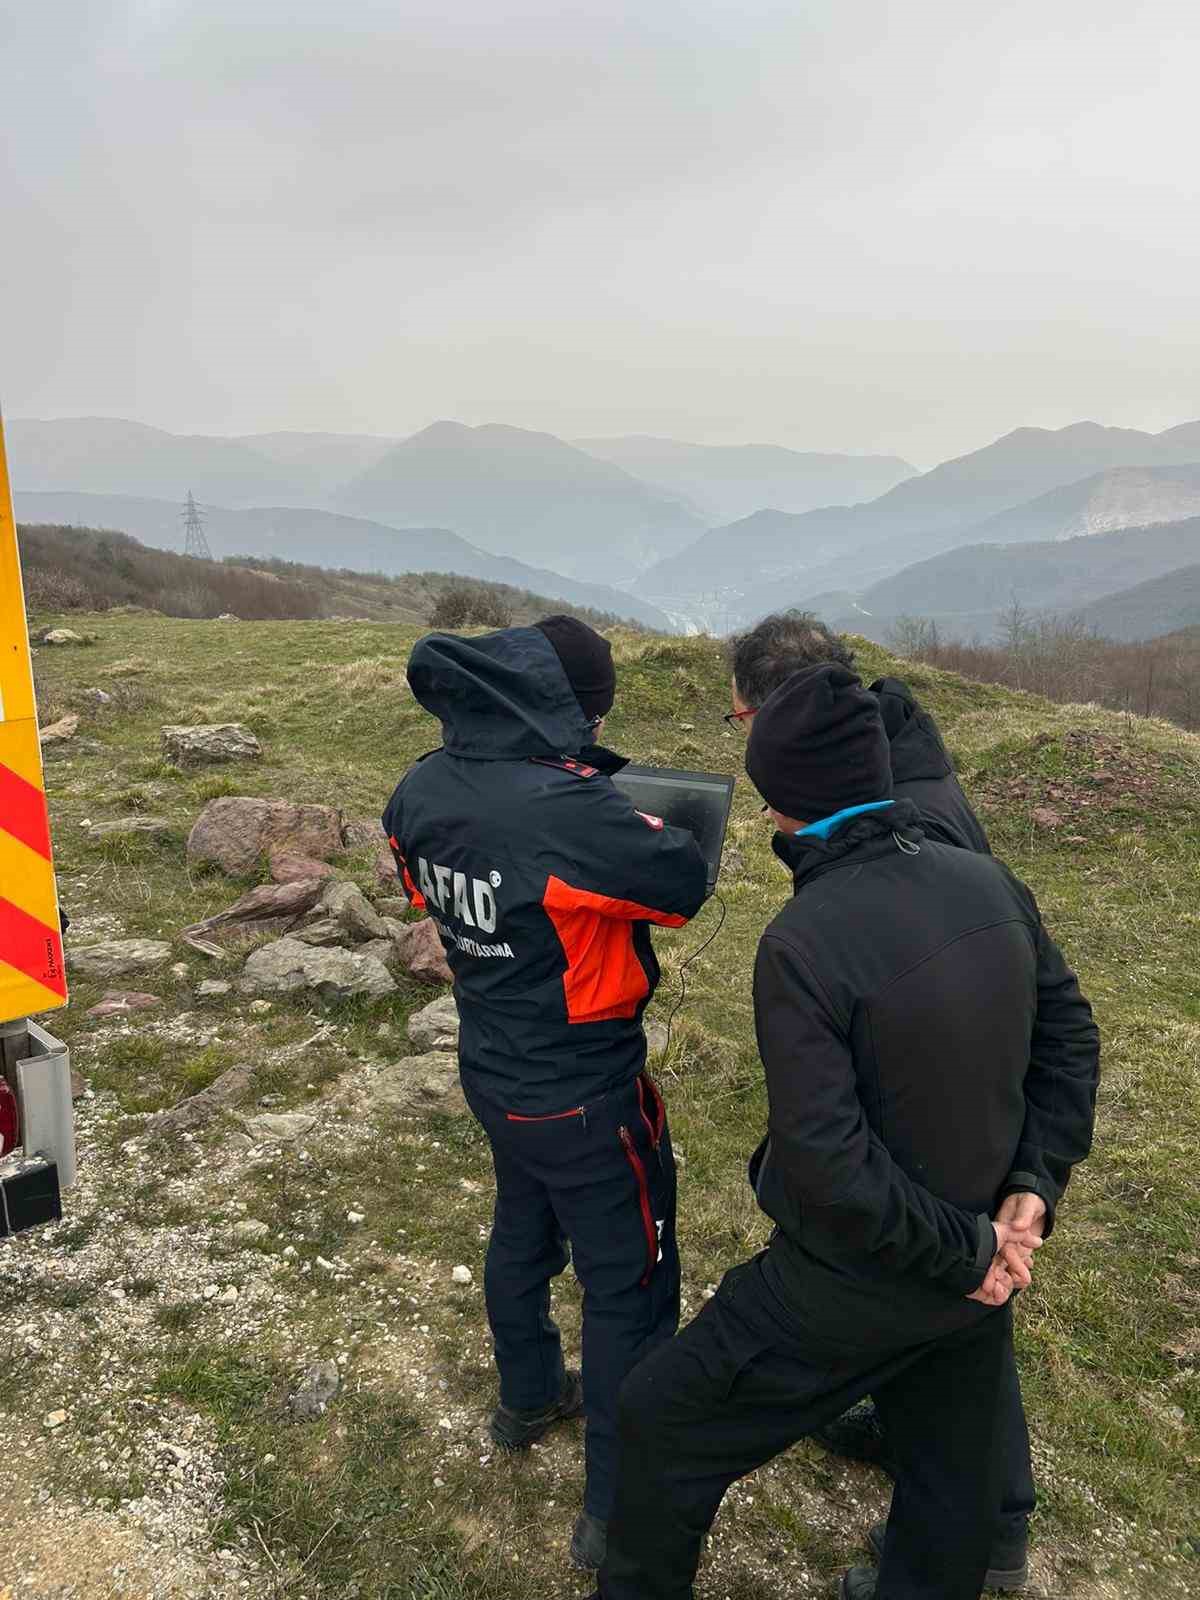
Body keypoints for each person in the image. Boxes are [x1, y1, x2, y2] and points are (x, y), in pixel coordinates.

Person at [589, 663, 1099, 1600]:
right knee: (950, 1481)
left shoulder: (804, 940)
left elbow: (828, 1168)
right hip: (980, 1268)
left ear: (778, 798)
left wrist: (970, 1247)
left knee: (660, 1419)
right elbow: (1070, 1040)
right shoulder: (989, 880)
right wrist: (1032, 1187)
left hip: (858, 1282)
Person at [383, 615, 708, 1571]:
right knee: (630, 1285)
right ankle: (617, 1506)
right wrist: (631, 816)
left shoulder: (421, 787)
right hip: (585, 1086)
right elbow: (680, 884)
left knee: (522, 1228)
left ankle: (527, 1393)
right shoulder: (569, 811)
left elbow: (425, 891)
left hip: (493, 1062)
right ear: (562, 706)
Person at [729, 612, 1042, 1586]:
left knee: (955, 1304)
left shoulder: (912, 818)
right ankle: (940, 1466)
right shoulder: (877, 773)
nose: (737, 731)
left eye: (741, 711)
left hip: (937, 1114)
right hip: (918, 1096)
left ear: (785, 711)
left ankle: (988, 1527)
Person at [728, 610, 989, 853]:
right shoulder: (894, 753)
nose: (747, 740)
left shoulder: (901, 832)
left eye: (742, 720)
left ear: (785, 715)